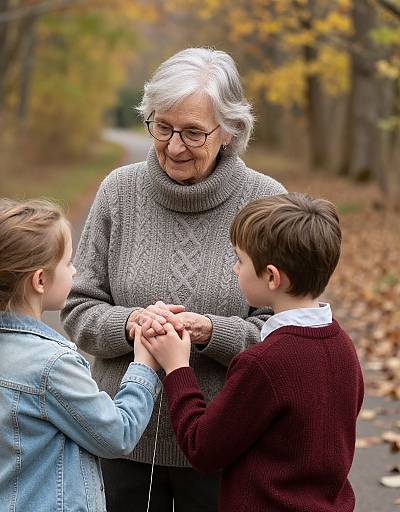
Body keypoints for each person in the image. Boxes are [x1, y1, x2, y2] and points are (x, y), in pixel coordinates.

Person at [61, 47, 286, 511]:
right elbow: (78, 309)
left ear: (230, 131)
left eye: (192, 132)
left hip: (225, 447)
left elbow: (283, 335)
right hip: (120, 442)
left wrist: (210, 332)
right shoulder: (119, 191)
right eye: (162, 127)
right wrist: (132, 326)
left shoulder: (266, 203)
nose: (174, 146)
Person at [139, 192, 364, 512]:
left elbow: (202, 447)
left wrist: (177, 367)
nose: (234, 269)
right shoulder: (342, 346)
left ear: (271, 276)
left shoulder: (263, 363)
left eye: (240, 260)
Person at [0, 198, 162, 512]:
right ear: (40, 280)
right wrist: (144, 365)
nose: (75, 271)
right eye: (69, 263)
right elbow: (118, 434)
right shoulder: (52, 365)